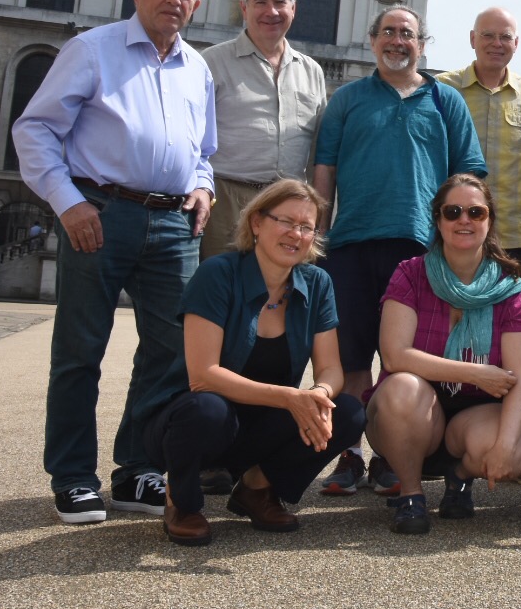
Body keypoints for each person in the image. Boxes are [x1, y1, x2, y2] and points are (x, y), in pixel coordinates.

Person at [12, 0, 216, 525]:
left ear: (196, 5)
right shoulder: (91, 49)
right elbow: (35, 129)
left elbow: (203, 153)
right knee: (80, 350)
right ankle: (74, 477)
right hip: (99, 213)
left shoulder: (197, 70)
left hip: (175, 223)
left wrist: (203, 190)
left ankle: (135, 470)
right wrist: (66, 201)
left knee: (171, 351)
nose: (174, 0)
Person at [312, 6, 487, 497]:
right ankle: (348, 455)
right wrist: (318, 235)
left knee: (402, 362)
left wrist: (459, 242)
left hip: (417, 251)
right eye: (387, 32)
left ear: (421, 44)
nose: (396, 41)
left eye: (406, 34)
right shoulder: (346, 100)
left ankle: (391, 456)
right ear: (372, 42)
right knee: (349, 361)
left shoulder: (445, 100)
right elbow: (323, 171)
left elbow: (467, 177)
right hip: (348, 245)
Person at [145, 180, 365, 545]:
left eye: (307, 226)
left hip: (257, 425)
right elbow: (203, 376)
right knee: (208, 409)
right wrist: (289, 398)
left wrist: (318, 395)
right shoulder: (217, 273)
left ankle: (257, 489)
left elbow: (331, 370)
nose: (296, 233)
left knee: (346, 411)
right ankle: (181, 502)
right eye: (286, 221)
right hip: (190, 423)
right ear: (257, 223)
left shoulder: (318, 283)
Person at [364, 175, 521, 534]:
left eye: (476, 211)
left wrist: (505, 444)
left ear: (489, 222)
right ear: (438, 220)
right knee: (402, 387)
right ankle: (411, 496)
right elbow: (395, 356)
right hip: (410, 416)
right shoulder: (410, 274)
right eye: (453, 211)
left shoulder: (510, 288)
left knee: (516, 453)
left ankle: (457, 479)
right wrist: (475, 373)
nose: (464, 220)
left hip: (473, 416)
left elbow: (519, 376)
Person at [437, 6, 521, 488]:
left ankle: (514, 443)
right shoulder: (443, 88)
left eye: (506, 37)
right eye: (488, 36)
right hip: (460, 230)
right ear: (471, 38)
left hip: (516, 232)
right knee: (447, 331)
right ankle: (441, 438)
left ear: (516, 44)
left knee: (518, 345)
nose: (496, 44)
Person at [199, 0, 326, 263]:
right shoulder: (211, 63)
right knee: (221, 296)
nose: (272, 12)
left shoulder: (312, 72)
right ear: (244, 8)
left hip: (290, 207)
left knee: (280, 300)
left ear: (293, 8)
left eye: (280, 1)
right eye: (260, 2)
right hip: (227, 203)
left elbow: (320, 151)